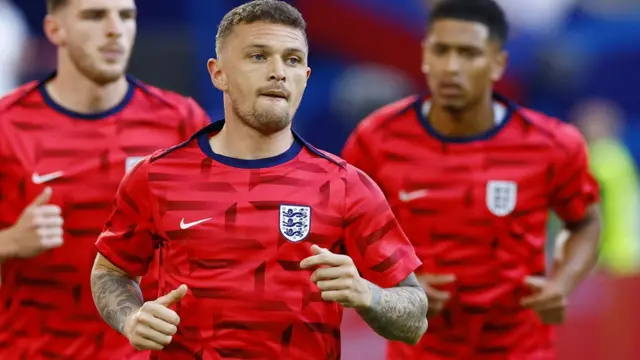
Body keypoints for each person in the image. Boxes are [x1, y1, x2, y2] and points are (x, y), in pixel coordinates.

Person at [90, 1, 428, 359]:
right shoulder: (156, 176)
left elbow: (415, 317)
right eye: (258, 56)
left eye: (293, 59)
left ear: (306, 77)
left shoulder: (347, 186)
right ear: (218, 73)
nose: (278, 72)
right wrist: (131, 318)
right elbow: (111, 271)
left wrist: (367, 294)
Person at [341, 0, 601, 359]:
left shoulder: (552, 143)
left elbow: (585, 221)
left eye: (468, 53)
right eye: (441, 50)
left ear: (498, 64)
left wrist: (562, 283)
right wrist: (394, 289)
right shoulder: (376, 139)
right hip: (421, 350)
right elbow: (342, 231)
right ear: (424, 56)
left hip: (520, 349)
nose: (451, 67)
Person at [0, 0, 210, 358]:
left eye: (126, 16)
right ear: (54, 30)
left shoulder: (180, 122)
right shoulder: (6, 125)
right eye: (95, 15)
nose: (115, 29)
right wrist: (10, 243)